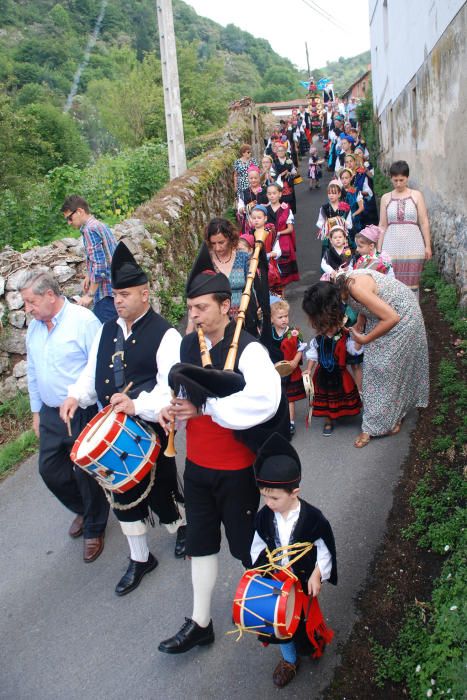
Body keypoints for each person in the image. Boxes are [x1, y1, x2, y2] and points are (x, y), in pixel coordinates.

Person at [157, 271, 283, 655]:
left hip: (235, 468)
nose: (192, 315)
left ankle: (275, 616)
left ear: (225, 306)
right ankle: (200, 623)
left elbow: (264, 402)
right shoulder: (186, 348)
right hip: (195, 466)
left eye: (201, 308)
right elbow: (178, 393)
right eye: (190, 308)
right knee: (200, 542)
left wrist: (207, 406)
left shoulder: (249, 349)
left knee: (247, 546)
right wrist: (169, 410)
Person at [60, 242, 186, 595]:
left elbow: (171, 387)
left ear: (145, 293)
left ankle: (180, 528)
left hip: (149, 424)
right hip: (114, 428)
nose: (118, 300)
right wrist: (75, 395)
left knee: (161, 488)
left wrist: (137, 405)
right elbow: (92, 373)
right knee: (123, 494)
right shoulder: (106, 330)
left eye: (125, 294)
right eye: (115, 294)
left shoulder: (165, 333)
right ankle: (141, 557)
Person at [19, 270, 109, 562]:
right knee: (50, 470)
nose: (27, 309)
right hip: (49, 412)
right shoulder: (34, 328)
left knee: (84, 471)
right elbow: (33, 371)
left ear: (49, 295)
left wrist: (86, 400)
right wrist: (36, 411)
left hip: (80, 410)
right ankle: (83, 509)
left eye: (31, 302)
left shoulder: (83, 322)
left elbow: (99, 366)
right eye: (25, 303)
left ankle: (95, 526)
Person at [251, 432, 337, 688]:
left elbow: (325, 548)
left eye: (274, 497)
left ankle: (313, 642)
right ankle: (289, 660)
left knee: (305, 619)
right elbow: (256, 546)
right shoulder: (264, 516)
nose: (268, 503)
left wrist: (317, 574)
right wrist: (259, 573)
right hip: (277, 582)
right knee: (280, 624)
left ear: (294, 492)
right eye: (264, 496)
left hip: (302, 581)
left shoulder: (313, 518)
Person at [302, 273, 429, 447]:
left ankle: (373, 427)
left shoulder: (355, 287)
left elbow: (392, 317)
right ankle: (392, 415)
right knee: (384, 369)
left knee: (381, 369)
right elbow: (368, 304)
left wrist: (365, 339)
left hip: (403, 317)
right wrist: (360, 323)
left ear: (326, 309)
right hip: (386, 315)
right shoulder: (342, 288)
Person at [303, 291, 362, 436]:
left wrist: (359, 339)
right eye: (325, 325)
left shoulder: (345, 337)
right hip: (322, 373)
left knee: (343, 395)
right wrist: (308, 370)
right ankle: (328, 420)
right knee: (326, 397)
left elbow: (353, 351)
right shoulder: (318, 340)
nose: (329, 328)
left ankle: (342, 413)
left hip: (340, 373)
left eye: (332, 325)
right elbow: (313, 355)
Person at [378, 160, 432, 296]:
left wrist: (428, 246)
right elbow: (382, 225)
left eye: (401, 180)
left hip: (414, 246)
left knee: (412, 284)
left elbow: (424, 222)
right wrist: (378, 249)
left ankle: (413, 316)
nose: (398, 184)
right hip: (390, 246)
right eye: (395, 180)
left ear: (407, 178)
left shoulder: (416, 195)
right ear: (391, 178)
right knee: (391, 284)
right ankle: (394, 316)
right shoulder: (386, 198)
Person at [61, 195, 117, 323]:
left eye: (70, 218)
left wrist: (89, 295)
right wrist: (89, 275)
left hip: (105, 295)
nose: (69, 223)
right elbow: (107, 255)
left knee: (108, 338)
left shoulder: (89, 230)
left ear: (80, 211)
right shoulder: (100, 225)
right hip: (115, 290)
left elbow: (100, 265)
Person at [269, 299, 306, 436]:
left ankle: (290, 422)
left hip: (290, 369)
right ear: (272, 319)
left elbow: (300, 347)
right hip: (274, 370)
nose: (284, 319)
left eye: (286, 316)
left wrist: (295, 361)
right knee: (277, 397)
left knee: (289, 398)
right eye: (280, 317)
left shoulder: (293, 332)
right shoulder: (269, 333)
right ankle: (277, 420)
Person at [265, 185, 300, 287]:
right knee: (271, 269)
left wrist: (278, 233)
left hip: (283, 242)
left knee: (283, 273)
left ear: (280, 194)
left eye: (274, 193)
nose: (272, 196)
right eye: (269, 194)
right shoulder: (264, 209)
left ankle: (282, 296)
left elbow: (290, 229)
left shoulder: (286, 209)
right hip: (269, 241)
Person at [237, 166, 268, 235]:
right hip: (250, 222)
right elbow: (240, 209)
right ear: (248, 179)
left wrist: (266, 206)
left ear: (259, 178)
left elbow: (272, 203)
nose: (253, 180)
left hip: (265, 220)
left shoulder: (266, 190)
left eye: (255, 178)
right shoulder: (243, 192)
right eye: (251, 178)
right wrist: (246, 207)